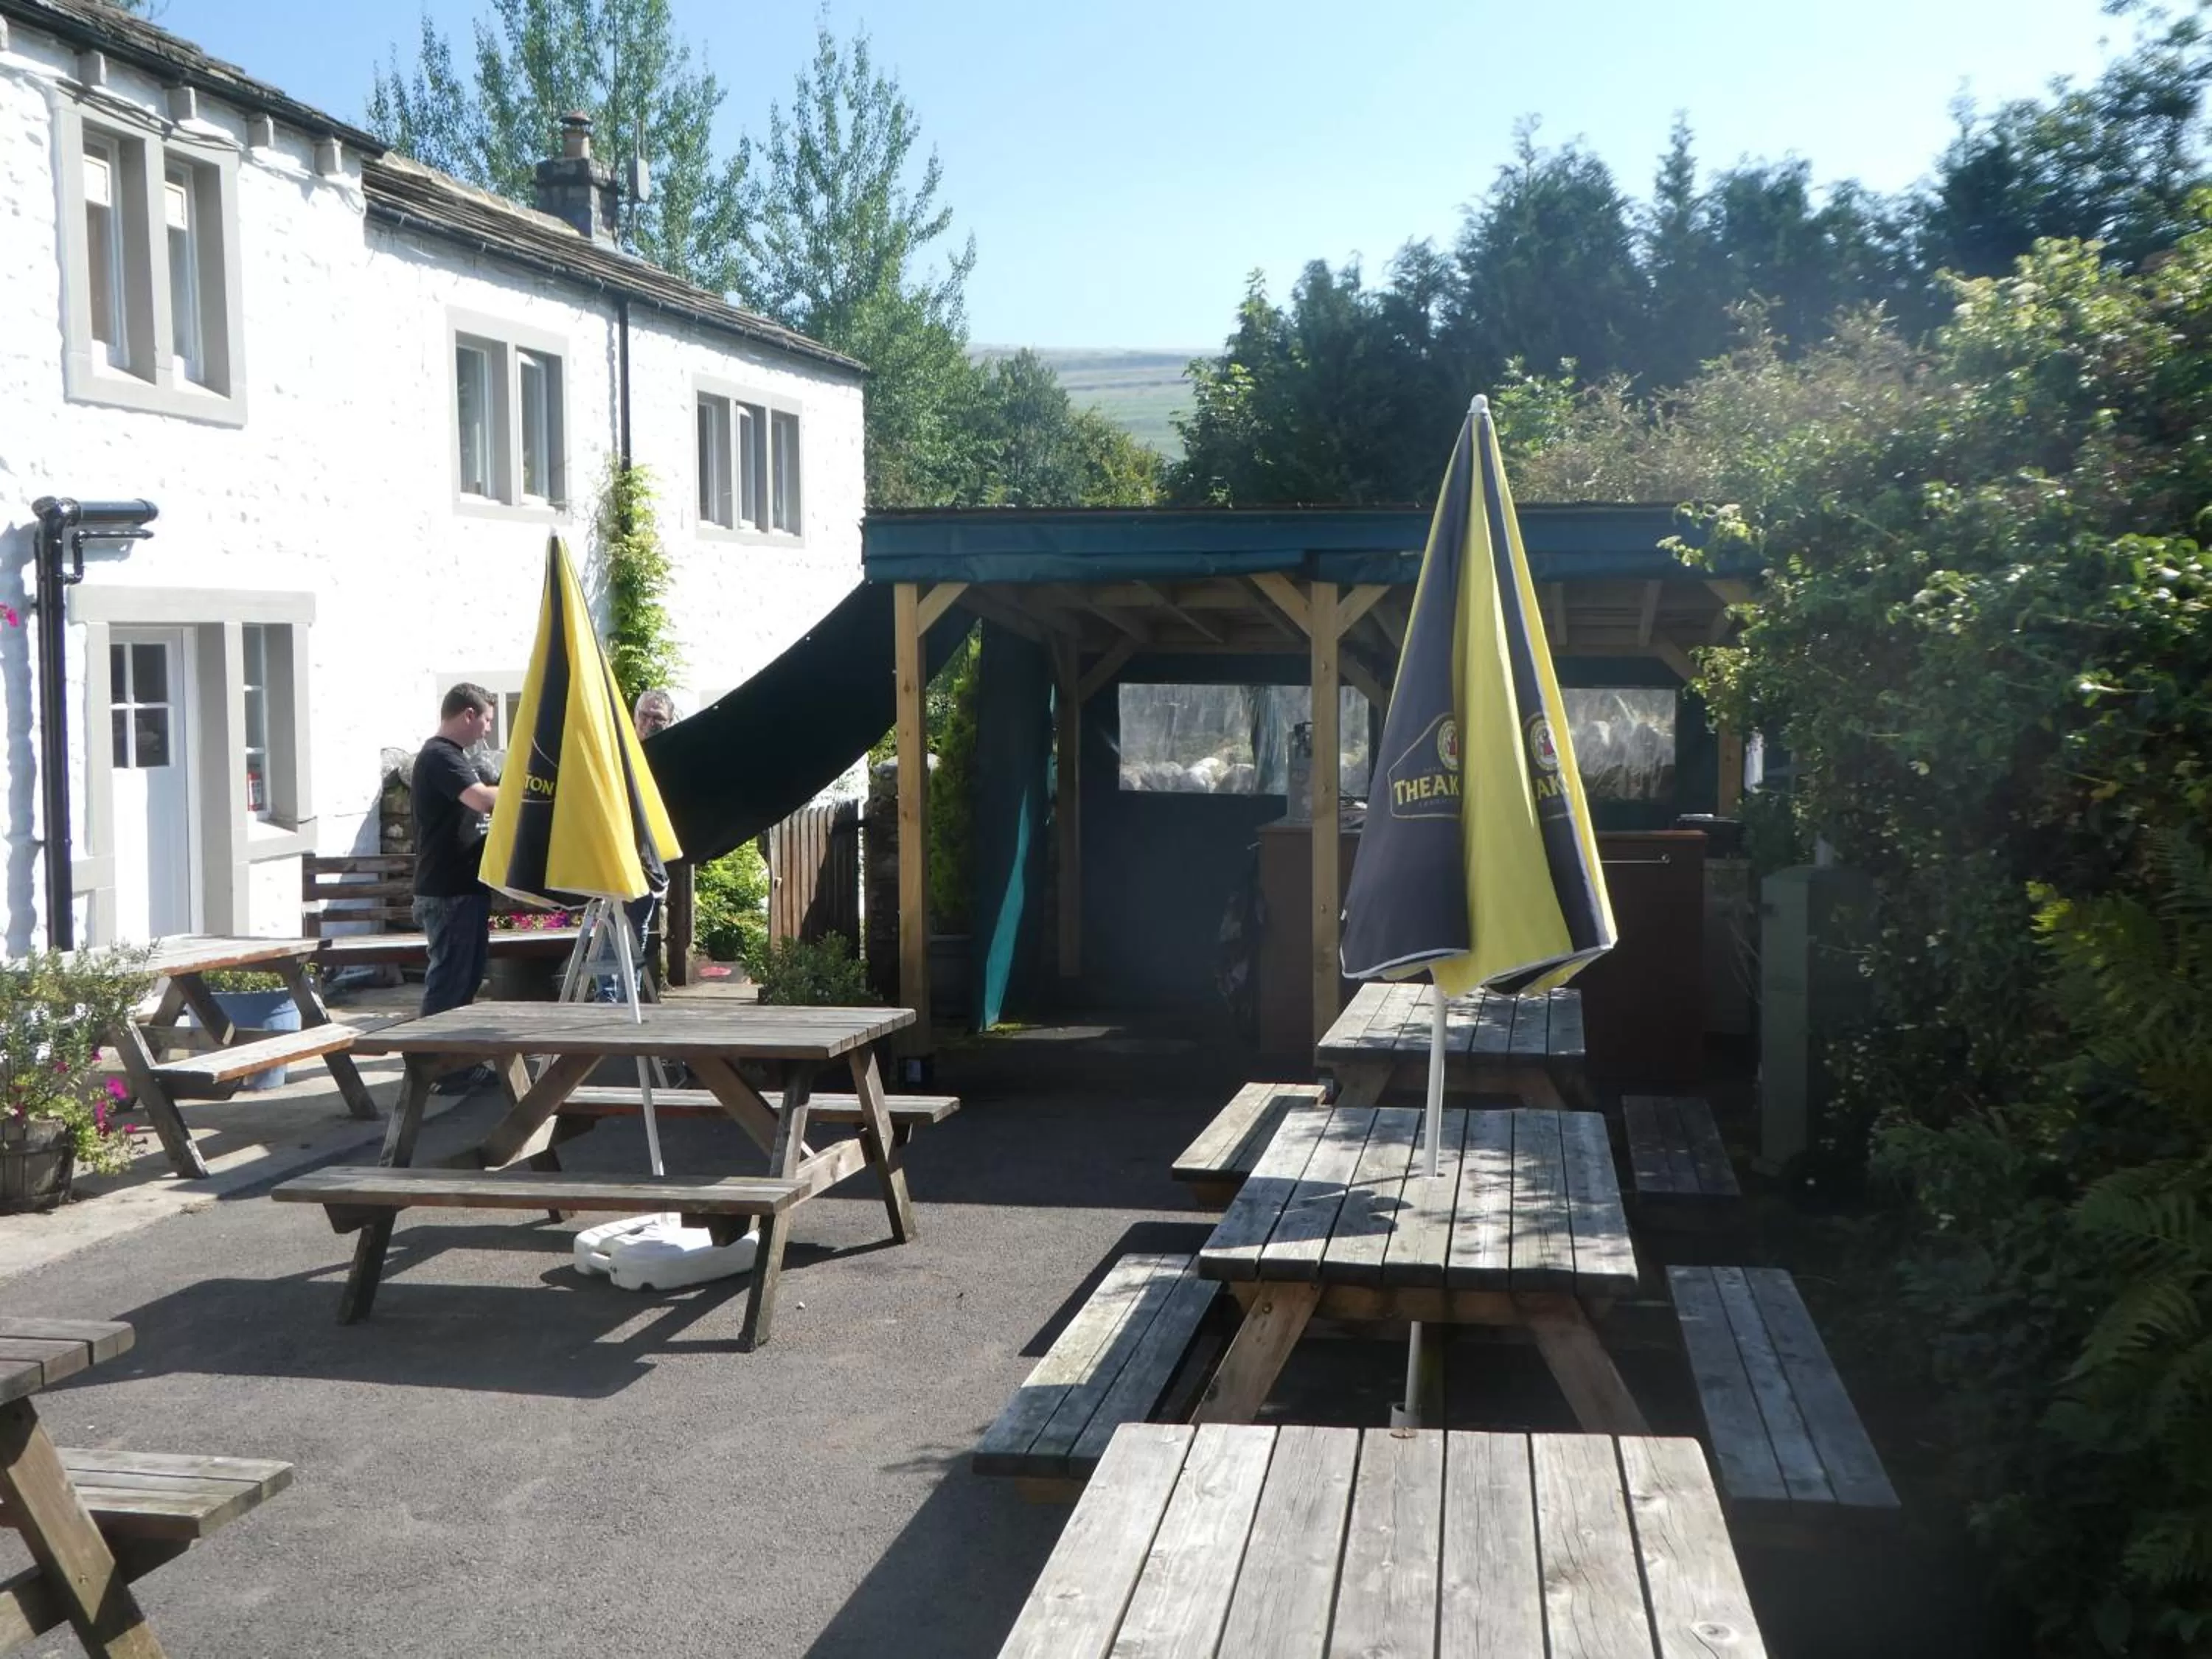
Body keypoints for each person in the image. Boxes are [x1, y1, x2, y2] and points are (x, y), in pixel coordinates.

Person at [411, 686, 501, 1086]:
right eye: (486, 720)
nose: (486, 731)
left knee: (464, 981)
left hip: (464, 888)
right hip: (448, 891)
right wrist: (531, 788)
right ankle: (433, 1070)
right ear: (467, 715)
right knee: (448, 982)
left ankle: (456, 1067)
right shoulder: (439, 756)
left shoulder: (454, 757)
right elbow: (482, 800)